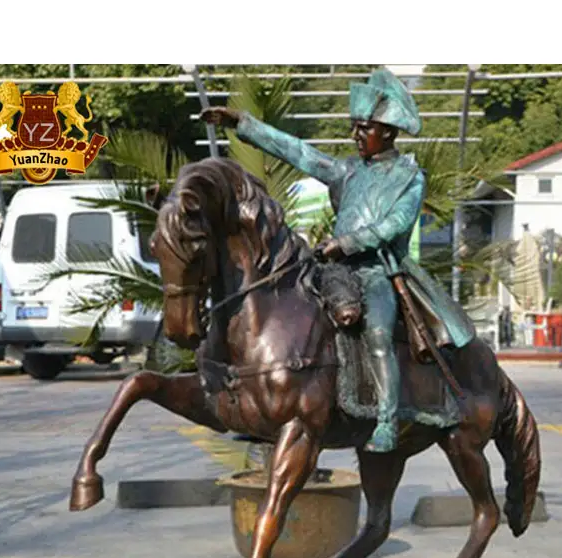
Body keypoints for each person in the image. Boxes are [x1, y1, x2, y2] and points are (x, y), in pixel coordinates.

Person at [202, 68, 475, 452]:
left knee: (378, 333)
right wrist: (243, 123)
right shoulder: (346, 171)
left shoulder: (409, 177)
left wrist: (345, 242)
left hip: (378, 272)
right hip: (333, 271)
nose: (356, 135)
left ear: (387, 132)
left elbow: (393, 226)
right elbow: (299, 152)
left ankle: (386, 420)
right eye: (355, 127)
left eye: (364, 128)